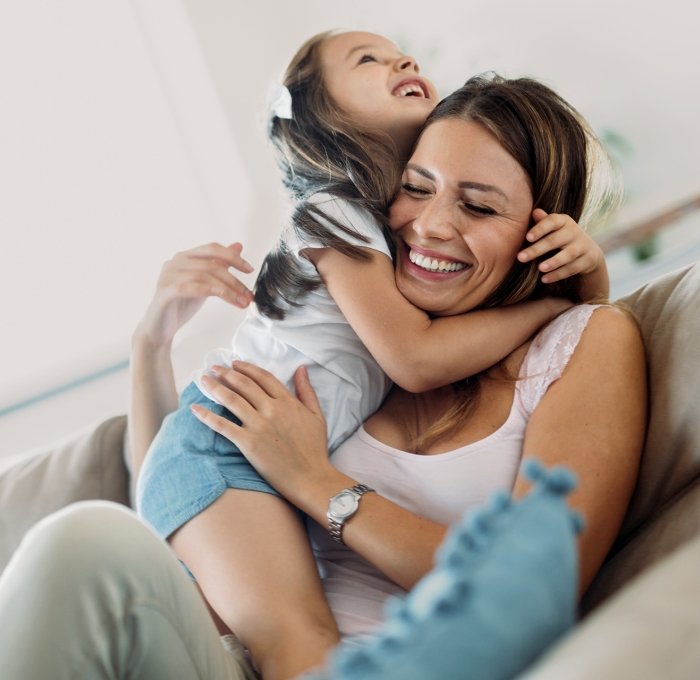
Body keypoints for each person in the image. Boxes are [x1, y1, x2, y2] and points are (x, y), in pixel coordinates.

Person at [0, 73, 645, 680]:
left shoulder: (584, 341)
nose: (430, 224)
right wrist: (150, 343)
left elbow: (533, 585)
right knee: (81, 542)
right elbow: (181, 503)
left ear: (547, 232)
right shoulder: (368, 344)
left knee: (81, 543)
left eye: (477, 206)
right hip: (234, 651)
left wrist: (317, 482)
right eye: (417, 187)